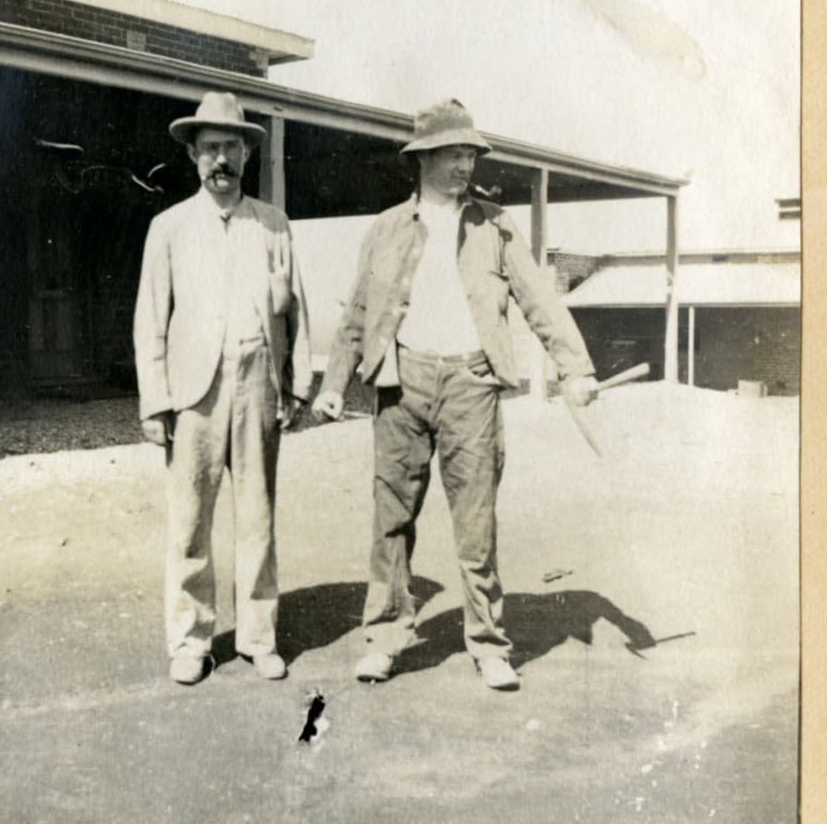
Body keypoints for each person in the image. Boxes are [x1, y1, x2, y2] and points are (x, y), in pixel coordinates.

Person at [312, 98, 597, 691]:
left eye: (471, 154)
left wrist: (576, 366)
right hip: (401, 383)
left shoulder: (495, 224)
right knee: (391, 520)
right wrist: (334, 383)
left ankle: (489, 646)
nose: (466, 164)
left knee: (476, 523)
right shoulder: (387, 228)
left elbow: (538, 299)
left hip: (472, 384)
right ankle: (385, 640)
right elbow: (359, 311)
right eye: (454, 154)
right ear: (423, 158)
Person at [134, 91, 313, 685]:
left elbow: (296, 308)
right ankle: (191, 640)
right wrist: (155, 401)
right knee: (190, 521)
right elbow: (150, 319)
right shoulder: (168, 228)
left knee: (258, 518)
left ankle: (259, 637)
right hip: (195, 393)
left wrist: (297, 385)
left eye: (231, 147)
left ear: (246, 154)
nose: (221, 160)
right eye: (209, 148)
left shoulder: (272, 225)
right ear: (192, 155)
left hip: (258, 383)